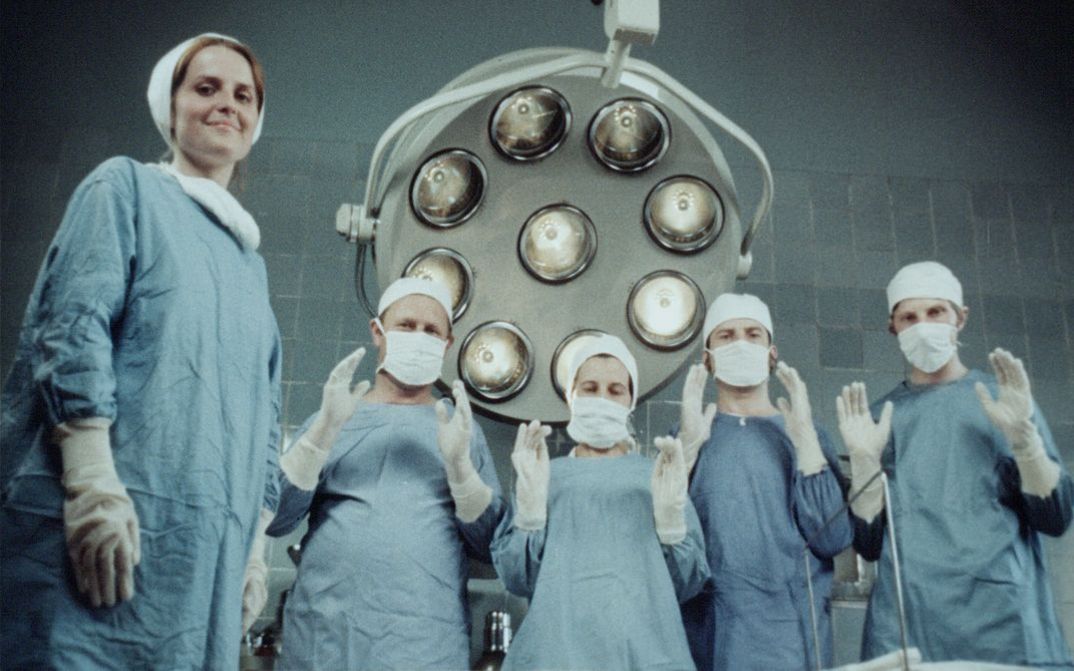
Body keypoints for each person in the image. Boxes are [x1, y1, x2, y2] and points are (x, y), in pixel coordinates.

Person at [0, 34, 280, 668]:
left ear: (257, 120)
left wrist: (254, 548)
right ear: (169, 104)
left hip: (199, 574)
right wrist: (92, 478)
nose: (226, 105)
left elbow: (263, 418)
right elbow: (72, 325)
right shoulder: (124, 189)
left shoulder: (249, 266)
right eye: (205, 88)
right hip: (104, 543)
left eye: (243, 95)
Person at [838, 260, 1073, 667]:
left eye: (936, 312)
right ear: (892, 327)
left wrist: (1025, 440)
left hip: (1002, 621)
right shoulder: (880, 418)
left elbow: (1055, 517)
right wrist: (863, 463)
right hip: (910, 622)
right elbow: (869, 545)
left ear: (960, 318)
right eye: (908, 317)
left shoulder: (1005, 404)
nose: (922, 325)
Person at [264, 277, 505, 670]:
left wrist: (462, 471)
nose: (418, 336)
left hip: (424, 646)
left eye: (431, 331)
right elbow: (274, 519)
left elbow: (492, 552)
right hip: (324, 643)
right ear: (378, 332)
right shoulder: (334, 416)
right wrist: (322, 435)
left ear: (447, 344)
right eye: (406, 326)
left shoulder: (459, 430)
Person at [491, 334, 710, 670]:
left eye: (615, 390)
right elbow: (517, 580)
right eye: (590, 388)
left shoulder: (656, 479)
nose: (602, 398)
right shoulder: (545, 477)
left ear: (630, 400)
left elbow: (688, 584)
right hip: (557, 655)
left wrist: (672, 527)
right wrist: (530, 519)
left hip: (646, 653)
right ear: (570, 395)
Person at [676, 293, 853, 670]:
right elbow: (668, 550)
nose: (740, 343)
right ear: (707, 359)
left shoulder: (805, 433)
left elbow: (833, 538)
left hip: (792, 635)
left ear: (772, 353)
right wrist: (686, 454)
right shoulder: (690, 436)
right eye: (726, 336)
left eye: (752, 334)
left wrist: (804, 438)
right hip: (712, 632)